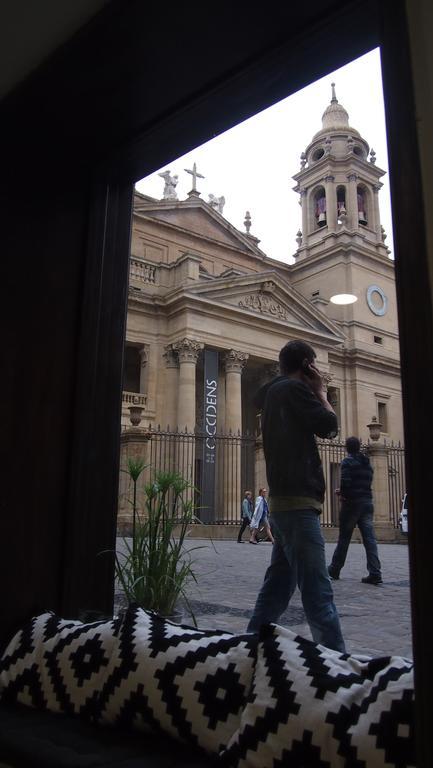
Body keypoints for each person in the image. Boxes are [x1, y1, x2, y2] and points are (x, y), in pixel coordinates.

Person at [247, 339, 346, 653]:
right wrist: (319, 390)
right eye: (313, 365)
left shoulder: (273, 392)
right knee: (318, 591)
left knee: (277, 586)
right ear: (307, 365)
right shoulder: (296, 390)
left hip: (281, 503)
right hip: (299, 503)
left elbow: (256, 395)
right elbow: (330, 428)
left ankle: (249, 645)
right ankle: (336, 661)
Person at [328, 437, 383, 585]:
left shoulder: (348, 461)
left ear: (347, 447)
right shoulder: (367, 464)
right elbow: (365, 483)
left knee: (344, 538)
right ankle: (375, 572)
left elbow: (346, 481)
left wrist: (343, 494)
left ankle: (334, 569)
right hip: (367, 502)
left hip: (352, 504)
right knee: (370, 539)